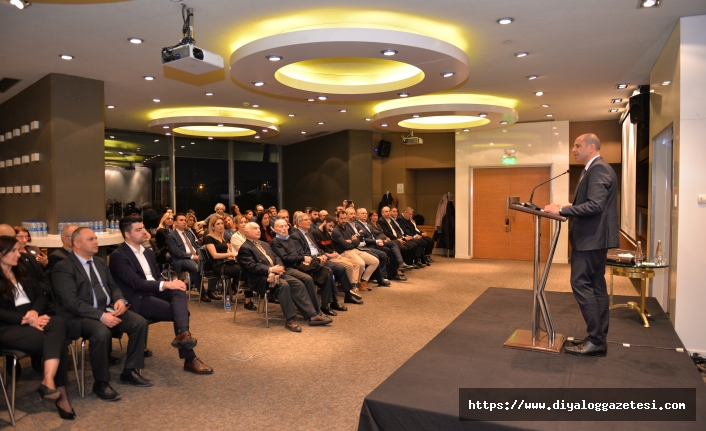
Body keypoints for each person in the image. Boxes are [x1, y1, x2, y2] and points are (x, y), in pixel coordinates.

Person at [52, 227, 151, 401]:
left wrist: (119, 300)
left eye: (95, 238)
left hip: (106, 309)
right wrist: (101, 316)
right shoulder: (63, 267)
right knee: (101, 332)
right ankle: (101, 383)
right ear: (77, 243)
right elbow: (70, 302)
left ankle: (130, 371)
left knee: (139, 322)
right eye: (91, 239)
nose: (96, 242)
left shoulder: (99, 262)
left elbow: (113, 287)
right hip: (78, 316)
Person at [544, 133, 618, 357]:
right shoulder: (594, 169)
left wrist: (561, 210)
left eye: (578, 146)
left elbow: (594, 206)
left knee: (581, 284)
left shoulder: (599, 169)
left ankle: (596, 339)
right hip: (594, 239)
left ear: (591, 147)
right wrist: (566, 205)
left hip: (591, 240)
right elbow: (592, 204)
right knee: (596, 286)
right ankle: (597, 338)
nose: (573, 150)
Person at [109, 216, 213, 374]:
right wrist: (165, 284)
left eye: (143, 228)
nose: (144, 232)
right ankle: (189, 356)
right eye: (139, 230)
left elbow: (157, 276)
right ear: (127, 234)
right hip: (138, 298)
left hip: (154, 291)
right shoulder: (118, 256)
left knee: (178, 289)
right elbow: (136, 283)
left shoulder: (147, 252)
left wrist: (169, 284)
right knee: (182, 313)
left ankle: (183, 336)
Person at [0, 236, 76, 420]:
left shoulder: (20, 270)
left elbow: (41, 296)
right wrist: (26, 320)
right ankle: (61, 395)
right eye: (14, 251)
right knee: (56, 342)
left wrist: (34, 312)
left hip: (34, 318)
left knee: (58, 323)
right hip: (7, 328)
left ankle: (48, 379)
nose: (19, 254)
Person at [237, 222, 331, 332]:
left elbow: (276, 257)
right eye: (254, 228)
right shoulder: (245, 248)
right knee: (283, 285)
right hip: (260, 278)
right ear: (247, 232)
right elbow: (251, 266)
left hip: (277, 273)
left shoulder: (264, 244)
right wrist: (271, 269)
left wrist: (280, 267)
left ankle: (312, 315)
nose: (258, 230)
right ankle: (290, 320)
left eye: (258, 228)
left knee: (297, 283)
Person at [270, 219, 338, 316]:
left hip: (299, 264)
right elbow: (285, 258)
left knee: (326, 271)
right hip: (289, 267)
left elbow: (299, 253)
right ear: (275, 229)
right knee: (308, 279)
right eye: (281, 226)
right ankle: (315, 309)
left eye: (286, 226)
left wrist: (306, 259)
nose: (284, 228)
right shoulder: (275, 242)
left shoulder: (290, 239)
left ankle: (326, 305)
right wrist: (302, 259)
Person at [292, 212, 361, 306]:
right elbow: (302, 253)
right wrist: (318, 258)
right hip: (311, 262)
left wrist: (324, 255)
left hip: (320, 258)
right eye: (306, 220)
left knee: (341, 268)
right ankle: (331, 302)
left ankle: (348, 295)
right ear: (299, 223)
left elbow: (318, 248)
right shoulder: (295, 236)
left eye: (309, 220)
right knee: (328, 271)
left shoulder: (309, 234)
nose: (309, 222)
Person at [167, 214, 221, 302]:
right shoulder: (171, 236)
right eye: (181, 220)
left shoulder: (188, 233)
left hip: (195, 256)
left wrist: (200, 254)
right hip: (181, 259)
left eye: (185, 220)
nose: (184, 222)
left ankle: (211, 291)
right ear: (175, 222)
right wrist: (192, 256)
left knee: (214, 263)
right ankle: (203, 294)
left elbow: (196, 246)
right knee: (196, 268)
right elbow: (176, 252)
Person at [204, 216, 254, 310]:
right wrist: (231, 254)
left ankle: (246, 297)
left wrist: (231, 255)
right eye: (218, 224)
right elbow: (214, 255)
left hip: (227, 262)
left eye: (222, 223)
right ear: (213, 226)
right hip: (218, 265)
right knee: (243, 271)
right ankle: (247, 297)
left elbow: (228, 252)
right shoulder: (208, 238)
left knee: (247, 268)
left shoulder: (223, 238)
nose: (221, 226)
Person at [331, 211, 388, 291]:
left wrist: (351, 241)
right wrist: (352, 241)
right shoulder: (336, 230)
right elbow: (345, 245)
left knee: (375, 261)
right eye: (341, 218)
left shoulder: (348, 228)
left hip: (355, 249)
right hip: (345, 252)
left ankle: (363, 281)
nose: (343, 220)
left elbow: (358, 241)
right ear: (337, 218)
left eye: (345, 218)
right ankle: (354, 285)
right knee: (361, 263)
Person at [310, 215, 363, 299]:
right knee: (349, 265)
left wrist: (334, 252)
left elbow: (331, 246)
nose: (331, 228)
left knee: (356, 263)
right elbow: (318, 250)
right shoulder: (316, 233)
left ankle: (353, 285)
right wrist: (329, 255)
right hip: (326, 257)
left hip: (333, 255)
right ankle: (350, 289)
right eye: (330, 225)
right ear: (324, 222)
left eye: (332, 226)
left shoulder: (327, 233)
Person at [345, 208, 395, 283]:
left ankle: (381, 277)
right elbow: (355, 239)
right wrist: (359, 235)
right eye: (351, 214)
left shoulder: (356, 224)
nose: (353, 215)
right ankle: (378, 278)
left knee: (387, 251)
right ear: (346, 215)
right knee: (378, 256)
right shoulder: (346, 226)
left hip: (364, 246)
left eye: (354, 214)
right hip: (357, 248)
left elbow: (364, 233)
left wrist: (358, 235)